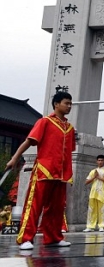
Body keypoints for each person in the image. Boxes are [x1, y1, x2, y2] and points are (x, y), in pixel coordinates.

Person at [5, 91, 76, 250]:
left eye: (71, 104)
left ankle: (53, 237)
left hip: (62, 174)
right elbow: (29, 141)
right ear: (56, 104)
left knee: (57, 208)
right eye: (66, 103)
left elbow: (69, 151)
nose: (69, 106)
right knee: (34, 206)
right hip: (44, 171)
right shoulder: (45, 122)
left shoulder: (70, 128)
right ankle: (26, 239)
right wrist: (15, 158)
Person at [84, 154, 104, 231]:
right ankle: (90, 226)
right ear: (96, 161)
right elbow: (86, 182)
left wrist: (98, 177)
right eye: (99, 160)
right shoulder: (93, 171)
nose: (100, 162)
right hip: (93, 192)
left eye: (101, 160)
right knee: (91, 209)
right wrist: (94, 177)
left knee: (101, 209)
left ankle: (101, 226)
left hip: (102, 192)